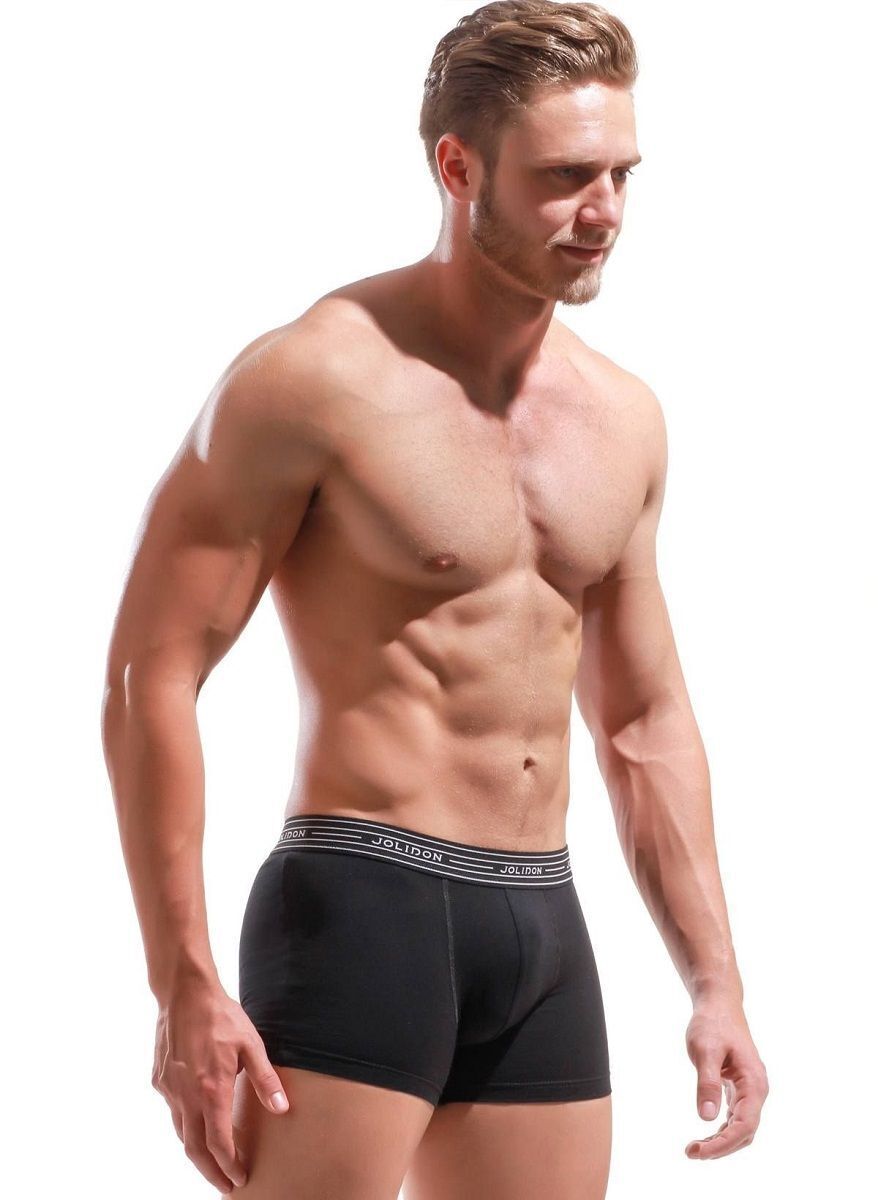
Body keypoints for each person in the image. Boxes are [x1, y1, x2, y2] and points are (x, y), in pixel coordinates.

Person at [101, 2, 769, 1196]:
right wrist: (182, 980)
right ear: (458, 169)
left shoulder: (623, 419)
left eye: (619, 173)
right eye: (563, 177)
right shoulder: (310, 381)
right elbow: (151, 675)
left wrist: (714, 981)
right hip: (361, 906)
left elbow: (640, 720)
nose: (603, 211)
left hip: (543, 925)